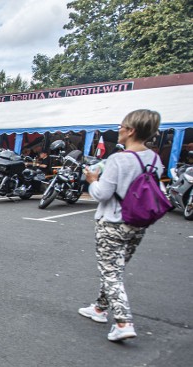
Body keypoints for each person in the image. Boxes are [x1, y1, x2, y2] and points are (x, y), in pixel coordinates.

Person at [79, 109, 163, 342]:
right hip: (139, 222)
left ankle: (123, 322)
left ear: (131, 130)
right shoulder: (155, 159)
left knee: (111, 272)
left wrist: (92, 181)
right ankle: (99, 308)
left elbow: (102, 194)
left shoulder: (119, 159)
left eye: (121, 126)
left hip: (113, 222)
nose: (118, 130)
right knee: (116, 268)